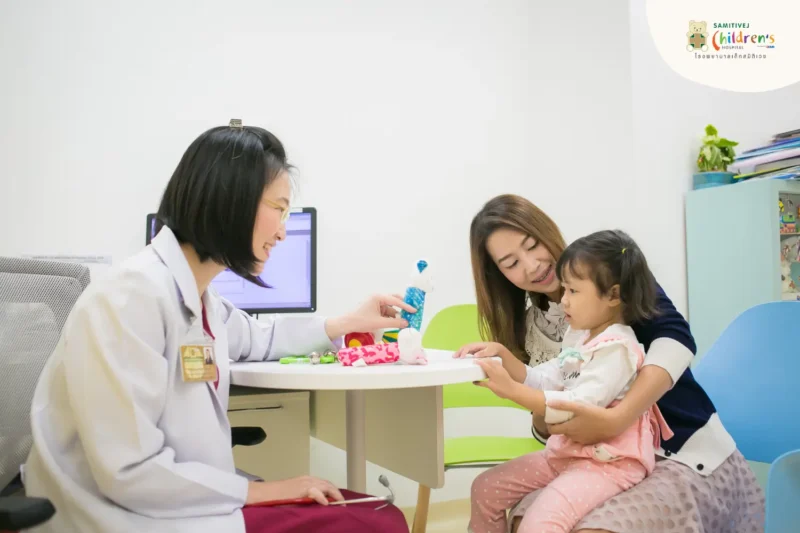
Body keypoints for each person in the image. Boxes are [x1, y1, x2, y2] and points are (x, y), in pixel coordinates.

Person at [23, 122, 412, 533]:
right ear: (232, 200)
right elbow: (129, 472)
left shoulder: (197, 297)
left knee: (373, 514)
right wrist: (259, 491)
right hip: (118, 513)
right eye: (278, 209)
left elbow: (262, 338)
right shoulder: (129, 298)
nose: (282, 231)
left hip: (177, 497)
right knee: (372, 523)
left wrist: (351, 321)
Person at [456, 194, 765, 533]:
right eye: (511, 263)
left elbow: (676, 339)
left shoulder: (607, 279)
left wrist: (617, 417)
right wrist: (521, 381)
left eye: (532, 246)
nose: (531, 266)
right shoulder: (537, 326)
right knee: (516, 514)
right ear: (498, 274)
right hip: (587, 456)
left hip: (677, 450)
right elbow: (553, 406)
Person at [467, 230, 673, 532]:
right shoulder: (579, 335)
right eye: (564, 290)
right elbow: (548, 377)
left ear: (614, 295)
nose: (563, 301)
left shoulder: (617, 348)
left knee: (538, 525)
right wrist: (503, 357)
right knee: (485, 488)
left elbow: (577, 407)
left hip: (608, 463)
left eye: (573, 292)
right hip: (568, 453)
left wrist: (511, 391)